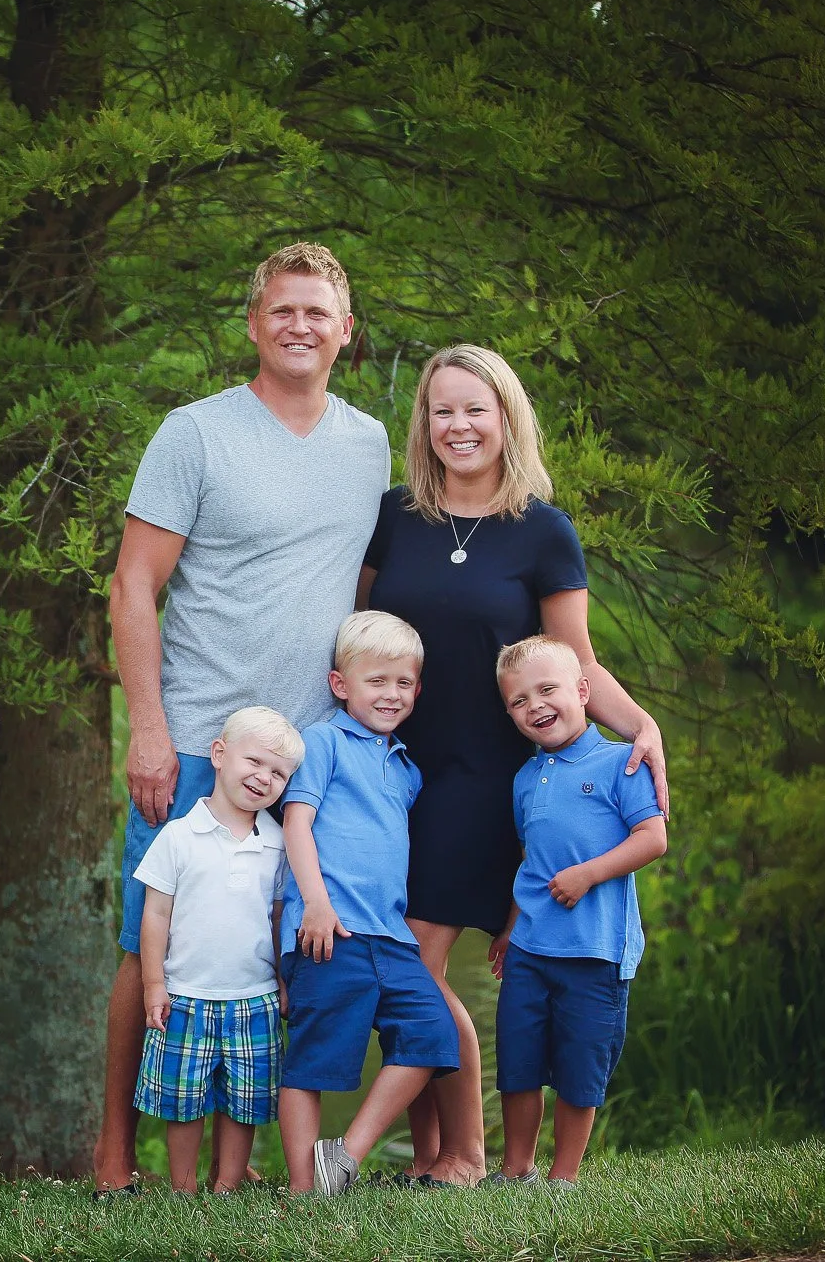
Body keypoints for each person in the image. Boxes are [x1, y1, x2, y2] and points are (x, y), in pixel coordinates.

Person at [97, 243, 389, 1195]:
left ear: (346, 330)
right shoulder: (195, 433)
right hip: (194, 743)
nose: (300, 326)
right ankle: (114, 1154)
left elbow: (367, 586)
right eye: (282, 311)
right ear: (254, 324)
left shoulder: (371, 444)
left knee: (274, 950)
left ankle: (250, 1162)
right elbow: (134, 584)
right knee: (155, 944)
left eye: (319, 312)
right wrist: (148, 727)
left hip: (311, 755)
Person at [358, 344, 669, 1186]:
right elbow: (362, 638)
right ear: (423, 423)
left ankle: (465, 1152)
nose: (458, 425)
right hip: (393, 772)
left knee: (410, 961)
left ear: (506, 417)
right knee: (391, 960)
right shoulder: (395, 516)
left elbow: (579, 665)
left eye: (475, 409)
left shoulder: (542, 530)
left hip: (487, 779)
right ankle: (426, 1155)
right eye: (441, 410)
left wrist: (644, 725)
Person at [276, 611, 460, 1195]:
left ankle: (345, 1157)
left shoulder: (405, 768)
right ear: (341, 685)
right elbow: (297, 826)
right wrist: (316, 904)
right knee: (313, 1058)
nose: (391, 694)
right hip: (330, 929)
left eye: (403, 683)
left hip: (393, 935)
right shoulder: (322, 742)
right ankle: (308, 1192)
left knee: (432, 1035)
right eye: (376, 681)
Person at [486, 636, 668, 1185]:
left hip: (595, 950)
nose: (535, 706)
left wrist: (589, 874)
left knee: (578, 1067)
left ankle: (563, 1178)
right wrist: (510, 927)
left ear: (583, 691)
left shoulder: (622, 762)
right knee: (517, 1063)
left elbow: (652, 839)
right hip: (530, 950)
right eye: (519, 701)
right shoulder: (524, 779)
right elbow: (534, 864)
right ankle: (518, 1170)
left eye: (547, 690)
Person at [131, 706, 302, 1194]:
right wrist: (153, 984)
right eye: (255, 762)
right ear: (220, 755)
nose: (264, 777)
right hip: (185, 994)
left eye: (278, 773)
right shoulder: (179, 836)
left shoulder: (276, 844)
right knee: (183, 1100)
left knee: (244, 1102)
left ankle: (226, 1184)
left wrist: (283, 982)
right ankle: (183, 1186)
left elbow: (274, 920)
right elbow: (155, 915)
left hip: (255, 997)